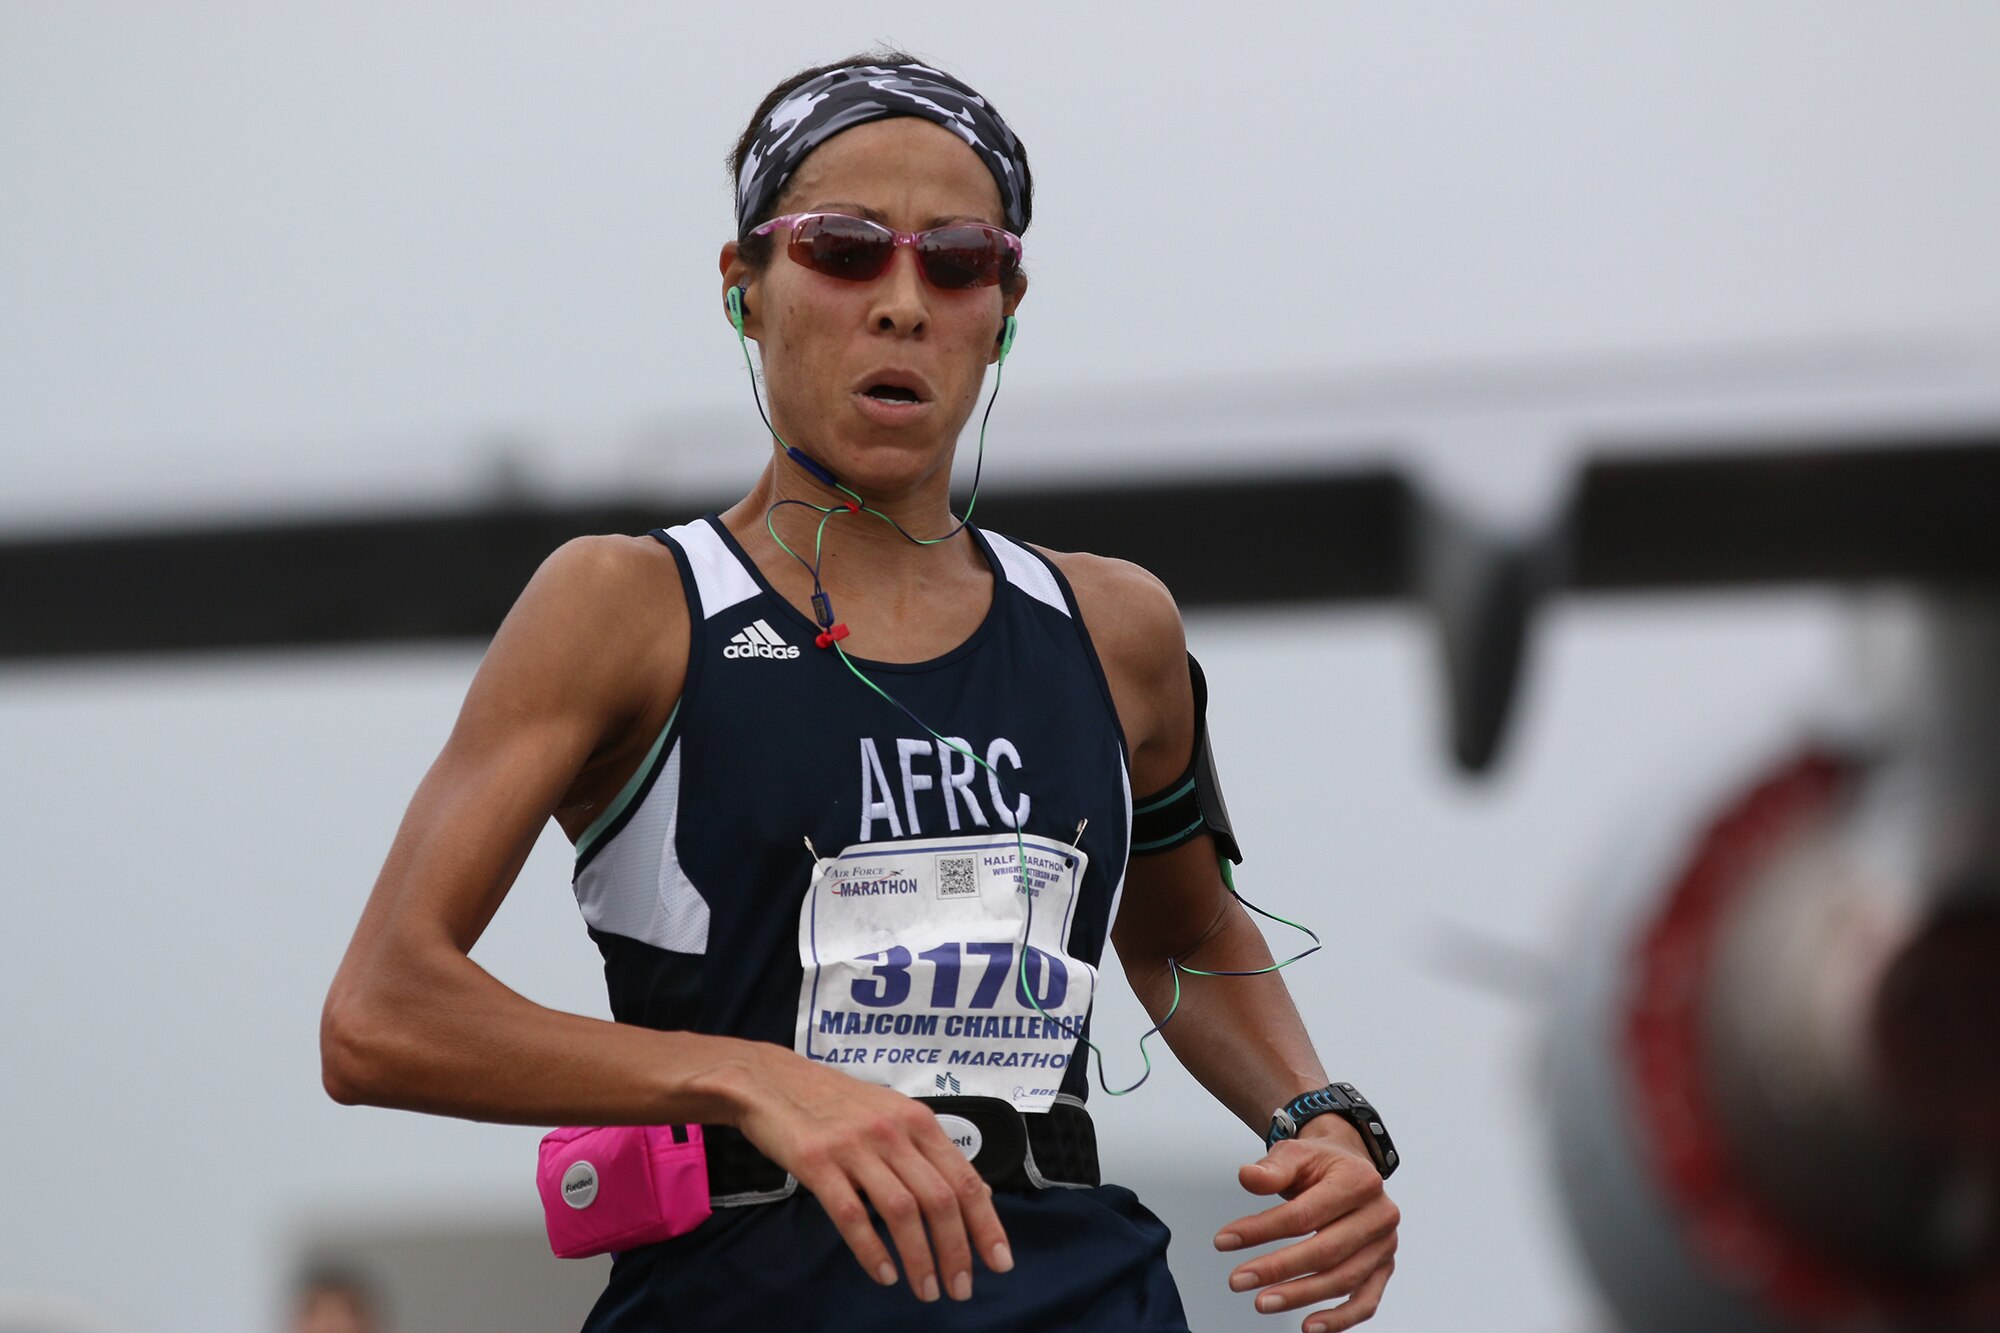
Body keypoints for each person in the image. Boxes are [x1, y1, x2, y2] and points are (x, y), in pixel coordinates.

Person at [321, 53, 1399, 1332]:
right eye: (841, 249)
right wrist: (755, 1081)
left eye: (953, 261)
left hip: (1076, 1291)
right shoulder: (627, 606)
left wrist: (1316, 1114)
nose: (901, 303)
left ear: (1003, 305)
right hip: (744, 1296)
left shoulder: (1111, 627)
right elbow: (380, 1014)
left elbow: (1180, 931)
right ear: (744, 288)